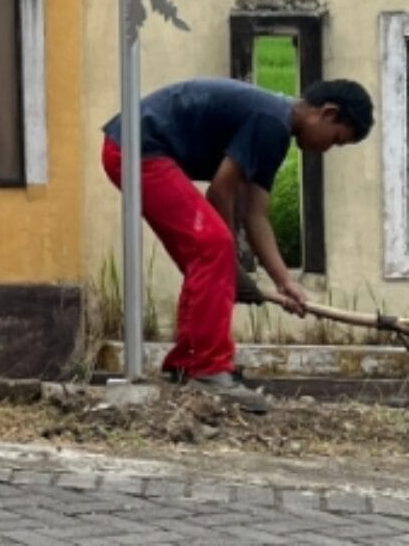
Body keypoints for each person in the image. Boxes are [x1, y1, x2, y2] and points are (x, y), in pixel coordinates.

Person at [102, 77, 373, 412]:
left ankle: (187, 363)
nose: (327, 149)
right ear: (328, 113)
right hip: (137, 147)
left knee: (207, 255)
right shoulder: (272, 121)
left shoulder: (276, 130)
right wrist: (229, 261)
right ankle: (207, 369)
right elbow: (220, 191)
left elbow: (255, 215)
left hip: (134, 147)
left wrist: (284, 282)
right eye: (335, 140)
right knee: (213, 246)